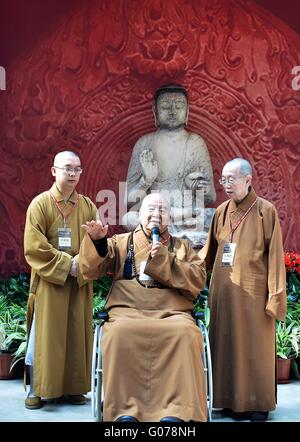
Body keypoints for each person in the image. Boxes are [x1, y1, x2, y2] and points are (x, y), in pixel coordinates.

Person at [79, 193, 207, 422]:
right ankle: (124, 411)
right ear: (139, 214)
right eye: (150, 209)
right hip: (128, 309)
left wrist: (166, 260)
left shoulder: (181, 246)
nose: (156, 215)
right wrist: (98, 242)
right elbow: (91, 269)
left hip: (173, 312)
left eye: (162, 210)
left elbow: (197, 279)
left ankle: (177, 411)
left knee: (187, 334)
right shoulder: (121, 242)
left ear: (170, 216)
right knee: (117, 333)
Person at [199, 158, 286, 422]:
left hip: (254, 294)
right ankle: (227, 400)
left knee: (254, 348)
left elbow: (275, 257)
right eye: (223, 179)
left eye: (231, 178)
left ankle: (257, 403)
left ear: (248, 179)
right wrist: (182, 273)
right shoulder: (221, 212)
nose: (225, 184)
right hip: (224, 294)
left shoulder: (264, 211)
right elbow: (207, 255)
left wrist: (275, 296)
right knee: (225, 346)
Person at [23, 151, 97, 409]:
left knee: (75, 334)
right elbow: (34, 247)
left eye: (77, 169)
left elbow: (96, 242)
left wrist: (83, 264)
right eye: (67, 168)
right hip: (49, 281)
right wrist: (68, 264)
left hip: (78, 282)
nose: (73, 173)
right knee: (44, 336)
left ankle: (73, 387)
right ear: (54, 171)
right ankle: (38, 389)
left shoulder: (87, 206)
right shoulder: (40, 204)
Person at [123, 84, 216, 246]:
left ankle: (168, 230)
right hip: (155, 217)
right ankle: (166, 229)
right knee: (129, 218)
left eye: (179, 106)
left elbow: (211, 196)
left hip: (186, 215)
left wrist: (196, 186)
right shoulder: (145, 143)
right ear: (155, 111)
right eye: (165, 106)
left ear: (187, 111)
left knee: (211, 216)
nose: (173, 111)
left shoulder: (195, 143)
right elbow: (129, 200)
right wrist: (146, 181)